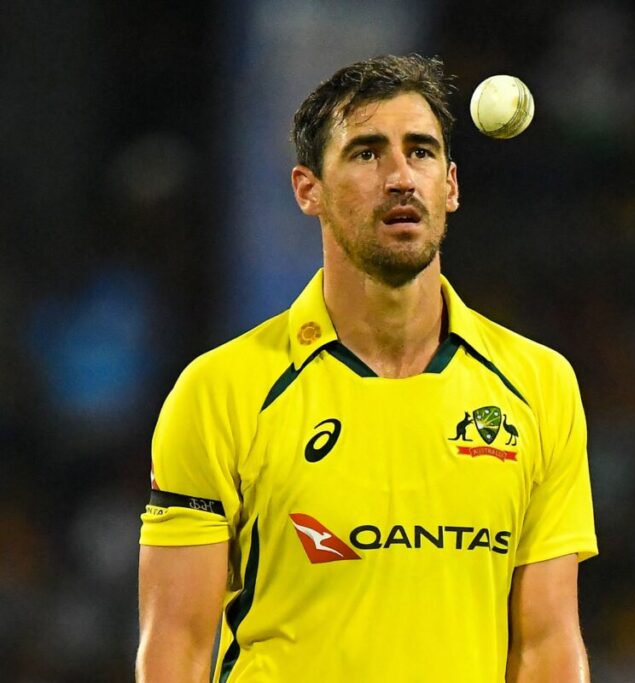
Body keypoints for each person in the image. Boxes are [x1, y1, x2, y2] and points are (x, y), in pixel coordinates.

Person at [136, 54, 598, 682]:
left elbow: (547, 645)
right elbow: (177, 646)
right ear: (309, 190)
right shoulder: (221, 390)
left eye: (421, 152)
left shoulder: (539, 385)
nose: (401, 178)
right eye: (367, 153)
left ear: (451, 185)